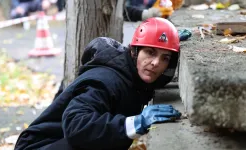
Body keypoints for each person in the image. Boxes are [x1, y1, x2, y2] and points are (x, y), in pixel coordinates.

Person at [14, 17, 181, 150]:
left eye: (165, 58)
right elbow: (75, 125)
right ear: (134, 51)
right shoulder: (106, 81)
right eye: (150, 52)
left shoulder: (135, 74)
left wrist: (172, 39)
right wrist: (136, 123)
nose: (155, 63)